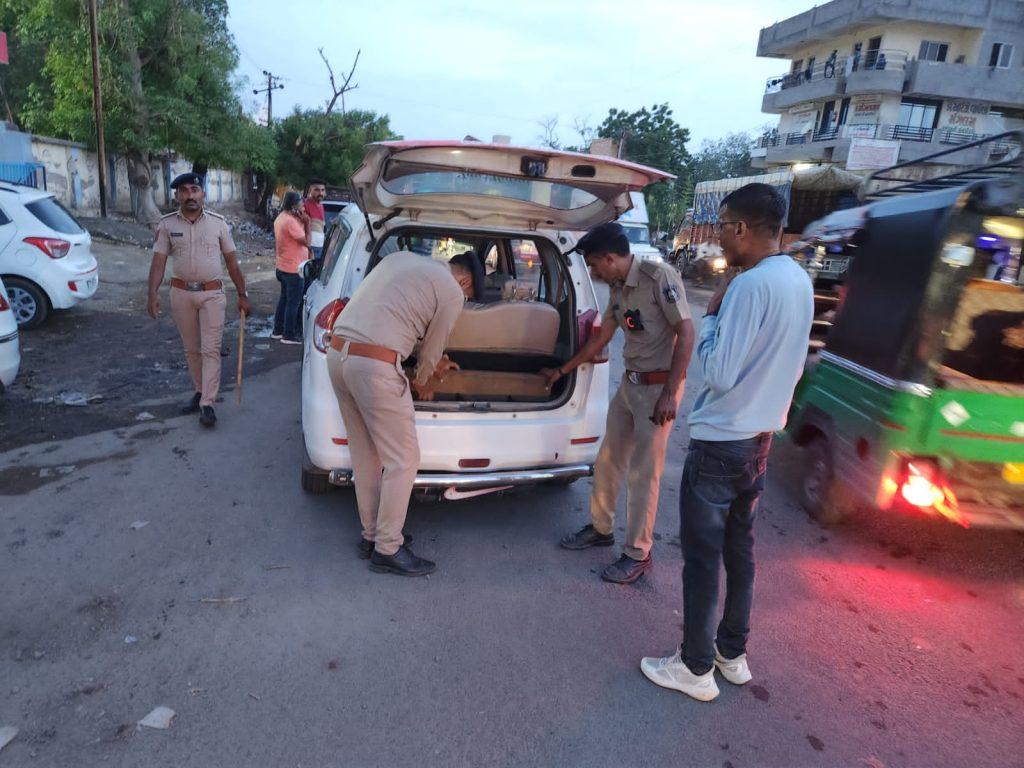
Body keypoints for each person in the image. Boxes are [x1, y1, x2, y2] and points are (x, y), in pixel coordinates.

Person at [640, 183, 813, 701]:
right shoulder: (798, 280)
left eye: (721, 227)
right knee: (740, 552)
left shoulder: (748, 287)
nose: (717, 238)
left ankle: (694, 668)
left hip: (721, 442)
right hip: (760, 438)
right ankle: (730, 654)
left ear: (741, 228)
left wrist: (712, 316)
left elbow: (718, 370)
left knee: (701, 557)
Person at [547, 222, 695, 585]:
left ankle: (638, 553)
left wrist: (668, 394)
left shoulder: (658, 277)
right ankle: (601, 528)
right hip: (630, 386)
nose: (594, 273)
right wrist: (562, 370)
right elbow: (601, 338)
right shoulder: (617, 288)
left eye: (595, 265)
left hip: (657, 390)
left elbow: (686, 332)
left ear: (610, 258)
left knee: (644, 472)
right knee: (608, 460)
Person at [326, 250, 476, 576]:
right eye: (469, 294)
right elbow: (432, 349)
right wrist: (423, 380)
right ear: (464, 281)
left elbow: (393, 317)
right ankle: (388, 548)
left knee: (366, 456)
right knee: (404, 460)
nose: (464, 298)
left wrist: (429, 364)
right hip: (375, 367)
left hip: (338, 354)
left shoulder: (402, 258)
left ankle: (372, 536)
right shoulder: (451, 291)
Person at [147, 172, 251, 428]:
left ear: (203, 194)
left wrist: (242, 294)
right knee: (191, 350)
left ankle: (207, 403)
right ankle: (199, 390)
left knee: (210, 349)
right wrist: (152, 294)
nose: (190, 195)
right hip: (181, 295)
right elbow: (158, 261)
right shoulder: (167, 225)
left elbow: (232, 262)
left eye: (194, 189)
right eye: (184, 191)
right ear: (177, 196)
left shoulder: (219, 224)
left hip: (212, 295)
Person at [272, 191, 310, 345]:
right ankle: (288, 335)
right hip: (293, 269)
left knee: (284, 300)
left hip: (282, 266)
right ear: (294, 205)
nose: (303, 205)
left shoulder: (281, 218)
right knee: (293, 303)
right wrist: (306, 223)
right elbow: (306, 241)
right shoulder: (291, 222)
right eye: (301, 203)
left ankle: (277, 330)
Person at [303, 180, 327, 260]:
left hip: (319, 246)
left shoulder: (321, 205)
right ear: (310, 190)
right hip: (309, 248)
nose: (320, 193)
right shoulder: (305, 205)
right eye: (317, 190)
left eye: (322, 190)